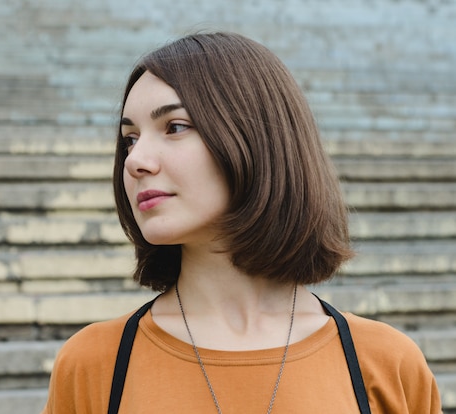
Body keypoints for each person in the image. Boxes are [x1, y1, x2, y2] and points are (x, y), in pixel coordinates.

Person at [42, 32, 441, 413]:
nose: (134, 160)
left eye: (175, 127)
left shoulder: (388, 364)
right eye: (130, 138)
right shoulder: (93, 365)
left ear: (252, 138)